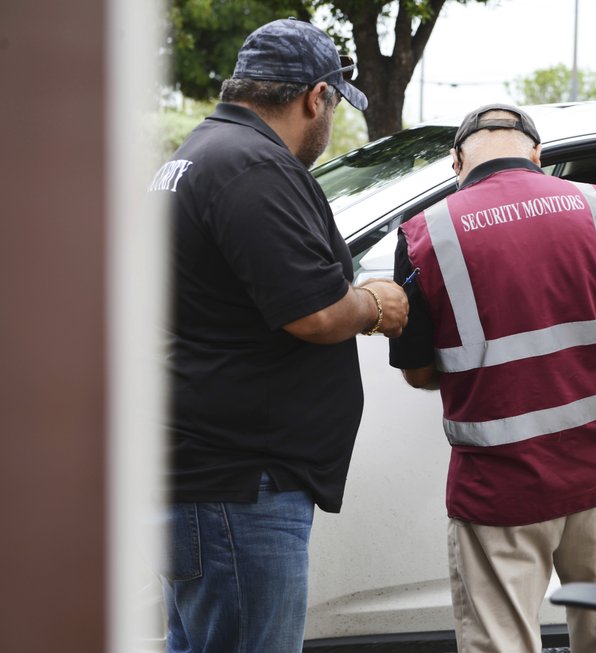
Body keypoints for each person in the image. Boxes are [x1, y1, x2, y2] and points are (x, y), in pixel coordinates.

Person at [148, 18, 409, 653]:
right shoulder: (251, 167)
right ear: (315, 97)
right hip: (240, 485)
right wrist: (374, 302)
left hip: (210, 474)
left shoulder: (194, 157)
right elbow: (314, 313)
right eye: (332, 107)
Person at [389, 104, 596, 653]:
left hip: (500, 485)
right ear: (536, 153)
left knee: (501, 642)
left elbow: (418, 372)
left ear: (456, 160)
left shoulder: (425, 234)